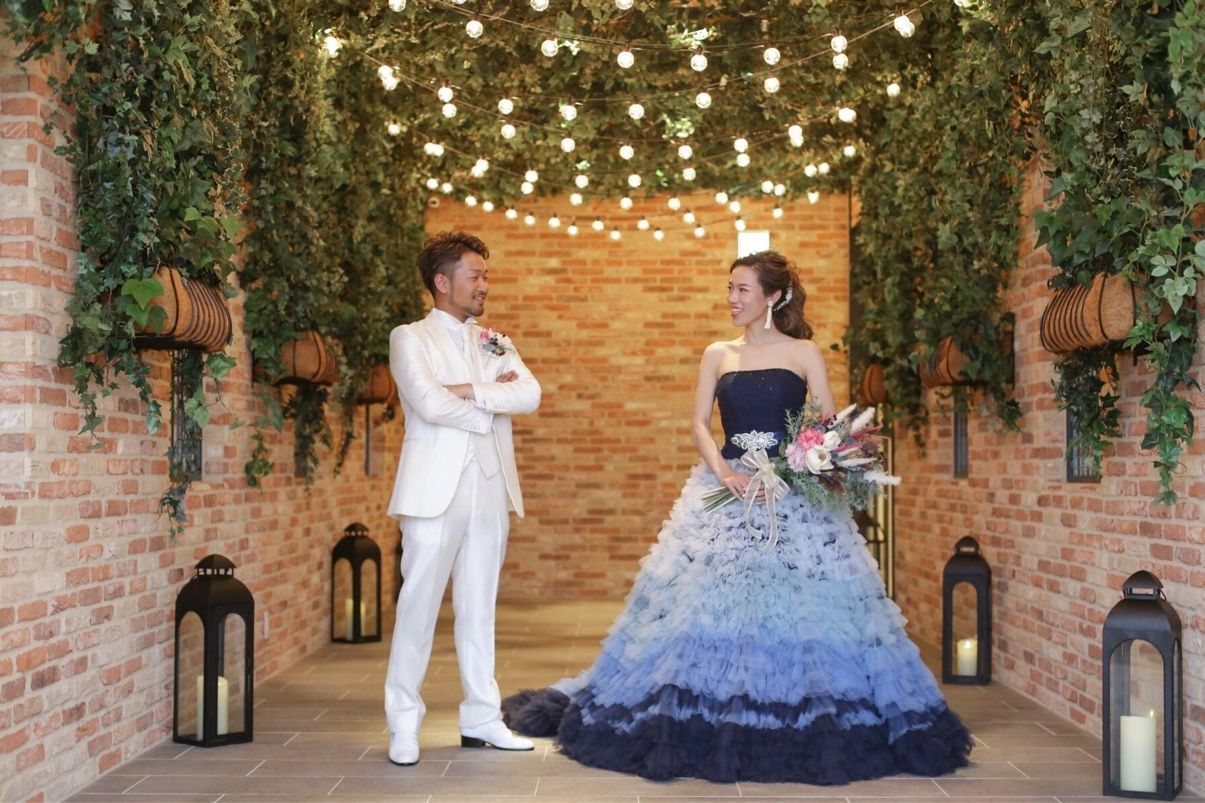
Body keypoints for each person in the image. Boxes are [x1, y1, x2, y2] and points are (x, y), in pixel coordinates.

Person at [503, 250, 971, 783]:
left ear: (773, 296)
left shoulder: (804, 352)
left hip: (789, 495)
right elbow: (699, 424)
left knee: (799, 606)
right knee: (702, 605)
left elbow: (828, 427)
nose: (731, 298)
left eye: (742, 289)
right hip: (727, 487)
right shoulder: (717, 354)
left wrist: (799, 467)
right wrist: (725, 473)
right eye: (730, 288)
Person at [384, 231, 541, 766]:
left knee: (480, 609)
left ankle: (481, 718)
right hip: (432, 491)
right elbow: (428, 404)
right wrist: (489, 409)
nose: (484, 285)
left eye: (485, 276)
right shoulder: (409, 338)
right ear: (442, 282)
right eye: (475, 275)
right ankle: (404, 723)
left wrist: (471, 392)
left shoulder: (493, 339)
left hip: (490, 488)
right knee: (417, 609)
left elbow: (529, 393)